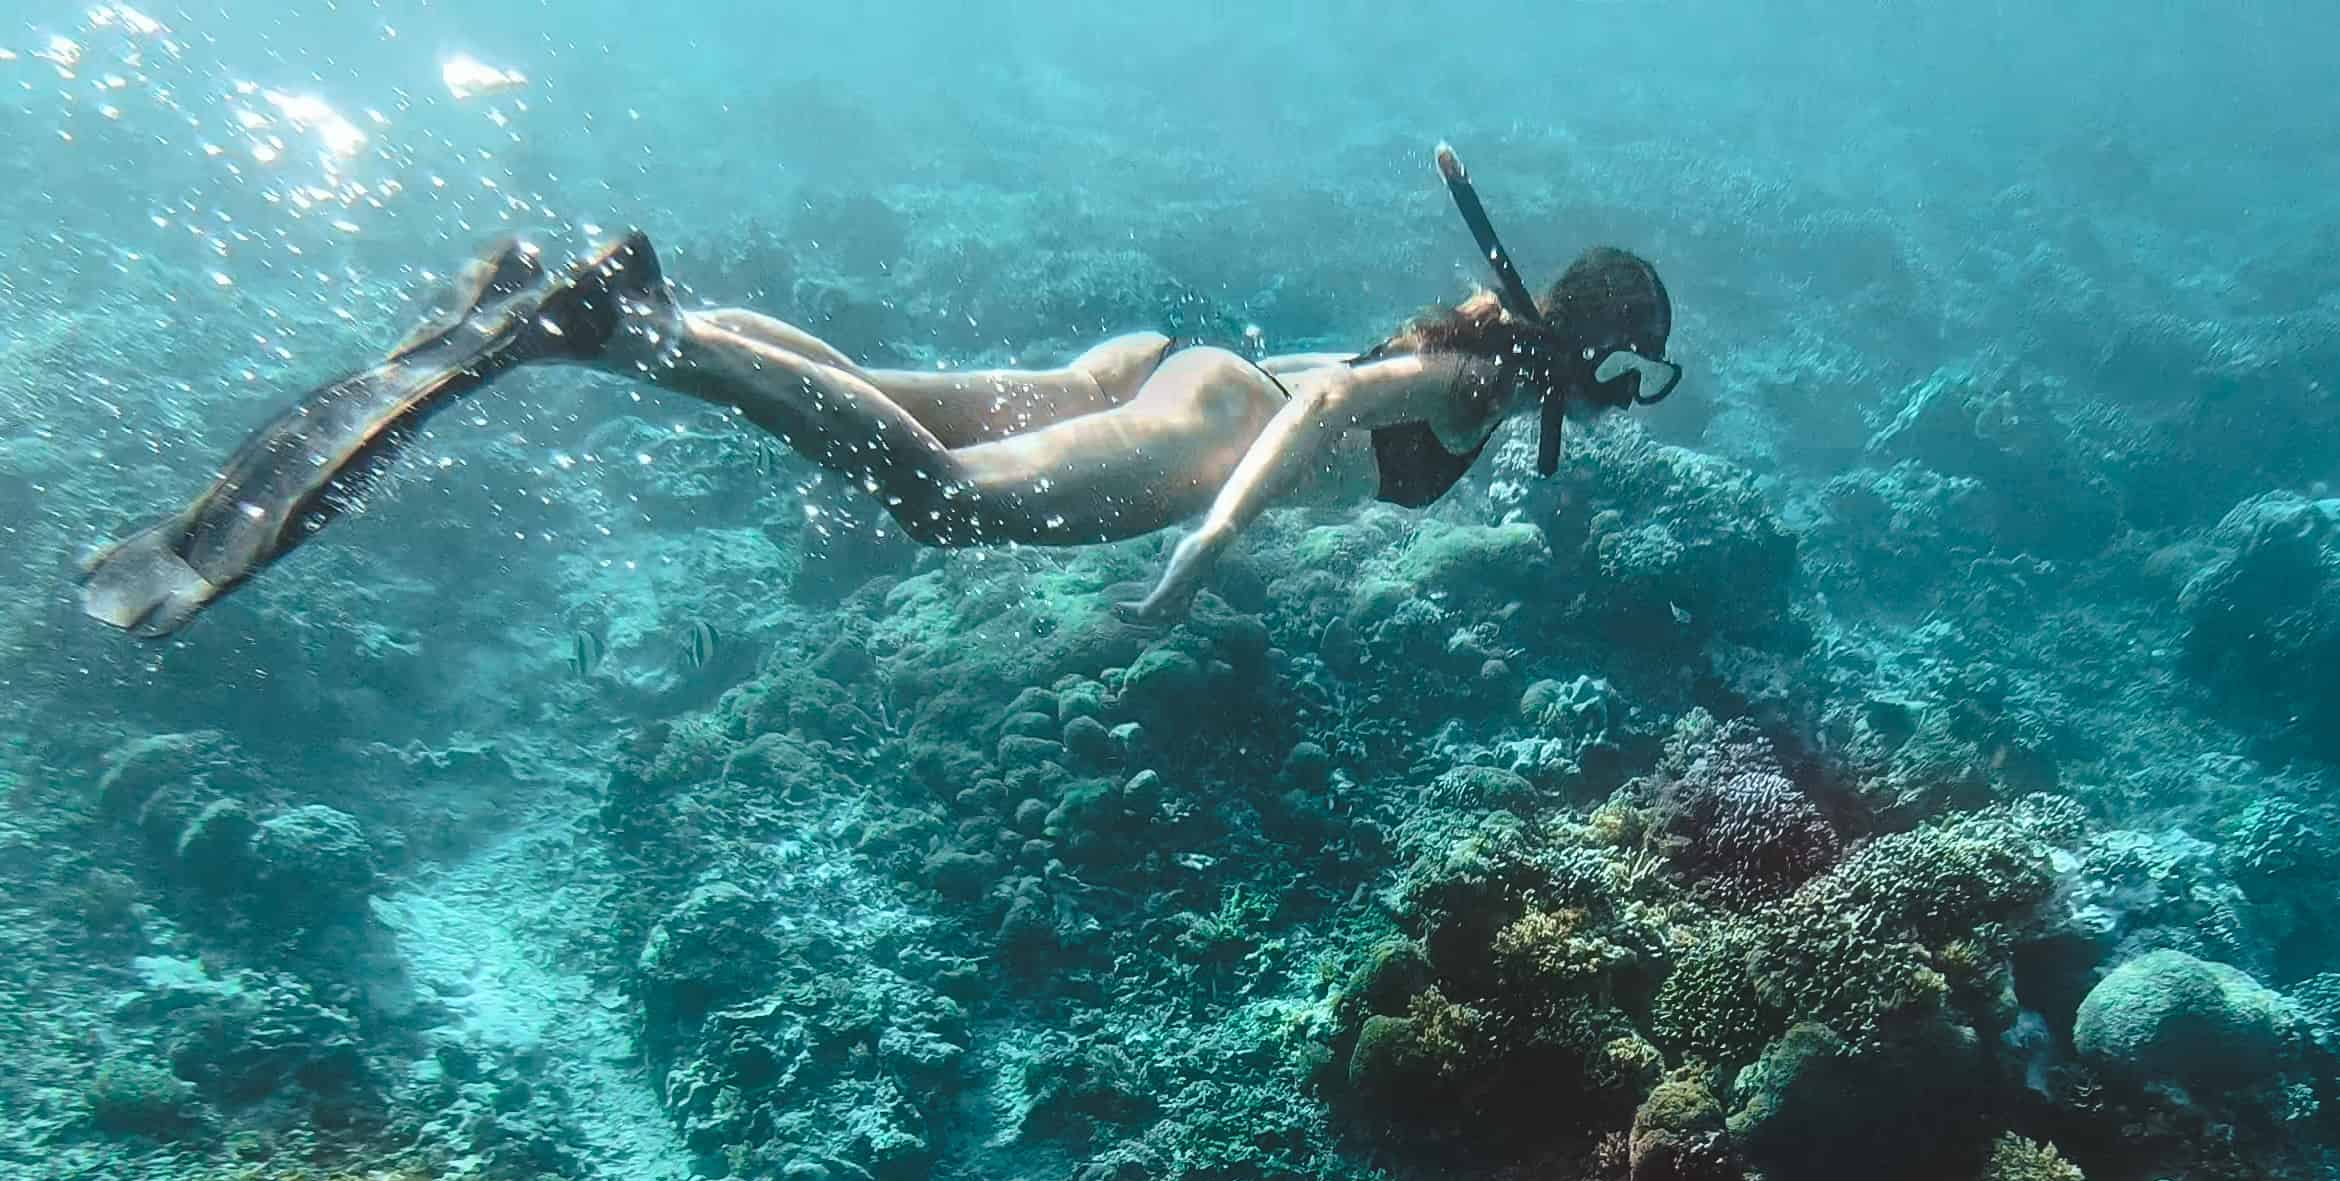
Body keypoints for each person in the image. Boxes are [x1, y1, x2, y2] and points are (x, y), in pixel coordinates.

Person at [83, 145, 1678, 640]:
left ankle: (635, 310)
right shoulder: (1475, 375)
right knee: (937, 499)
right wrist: (1203, 556)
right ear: (1585, 353)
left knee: (888, 401)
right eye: (1618, 380)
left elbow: (1332, 384)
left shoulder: (1483, 352)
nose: (1609, 407)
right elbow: (1330, 413)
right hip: (1209, 429)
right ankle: (617, 331)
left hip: (1176, 367)